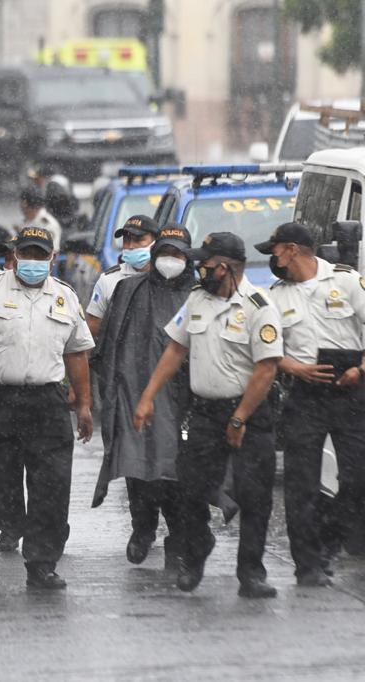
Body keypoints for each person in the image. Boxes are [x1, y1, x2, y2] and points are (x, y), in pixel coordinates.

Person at [134, 231, 283, 599]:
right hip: (205, 413)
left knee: (254, 496)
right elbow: (174, 350)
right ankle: (196, 551)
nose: (200, 269)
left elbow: (266, 369)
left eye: (206, 264)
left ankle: (251, 572)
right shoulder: (197, 299)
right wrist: (147, 397)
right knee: (190, 488)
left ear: (227, 267)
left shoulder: (259, 305)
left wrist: (240, 418)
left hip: (250, 413)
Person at [0, 227, 95, 588]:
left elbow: (77, 353)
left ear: (52, 257)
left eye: (39, 254)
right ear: (13, 256)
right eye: (25, 254)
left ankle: (42, 562)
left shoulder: (65, 296)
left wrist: (86, 404)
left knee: (52, 485)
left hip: (46, 403)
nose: (32, 261)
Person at [256, 222, 365, 586]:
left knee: (357, 477)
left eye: (275, 250)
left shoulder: (346, 281)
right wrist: (296, 368)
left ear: (292, 250)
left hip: (351, 390)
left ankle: (331, 535)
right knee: (301, 484)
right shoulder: (275, 295)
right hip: (305, 395)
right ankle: (308, 564)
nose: (272, 257)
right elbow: (266, 351)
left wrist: (360, 370)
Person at [92, 224, 194, 568]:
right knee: (138, 467)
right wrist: (114, 392)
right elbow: (109, 344)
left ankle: (180, 537)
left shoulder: (199, 294)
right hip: (136, 395)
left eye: (178, 255)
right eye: (165, 254)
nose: (170, 261)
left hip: (183, 401)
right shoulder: (128, 290)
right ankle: (143, 528)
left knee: (178, 472)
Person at [86, 215, 159, 340]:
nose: (131, 246)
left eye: (138, 240)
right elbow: (93, 330)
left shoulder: (166, 279)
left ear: (155, 243)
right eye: (126, 240)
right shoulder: (108, 280)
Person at [18, 184, 62, 251]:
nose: (20, 205)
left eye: (21, 201)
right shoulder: (24, 221)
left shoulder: (49, 224)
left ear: (25, 203)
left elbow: (52, 253)